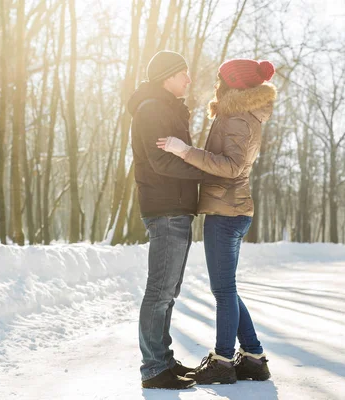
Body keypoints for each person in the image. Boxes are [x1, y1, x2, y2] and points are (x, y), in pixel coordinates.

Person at [157, 58, 277, 384]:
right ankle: (253, 357)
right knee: (228, 289)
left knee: (223, 291)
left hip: (227, 213)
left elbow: (232, 166)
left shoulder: (237, 116)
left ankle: (223, 361)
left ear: (232, 83)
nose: (214, 84)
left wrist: (185, 152)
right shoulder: (237, 112)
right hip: (231, 210)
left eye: (219, 79)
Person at [127, 50, 211, 390]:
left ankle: (163, 360)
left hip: (176, 208)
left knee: (169, 292)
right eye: (183, 74)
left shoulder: (166, 108)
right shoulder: (152, 109)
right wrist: (205, 169)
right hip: (164, 209)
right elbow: (161, 161)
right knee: (159, 290)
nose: (189, 80)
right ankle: (153, 368)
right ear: (167, 76)